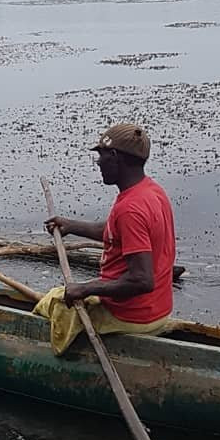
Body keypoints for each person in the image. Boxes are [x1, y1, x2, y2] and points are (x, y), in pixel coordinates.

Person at [36, 123, 177, 354]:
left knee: (55, 302)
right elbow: (116, 232)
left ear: (114, 157)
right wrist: (71, 226)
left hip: (131, 316)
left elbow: (142, 280)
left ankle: (57, 358)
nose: (98, 164)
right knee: (57, 296)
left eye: (100, 157)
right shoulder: (151, 191)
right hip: (158, 309)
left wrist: (86, 289)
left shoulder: (131, 208)